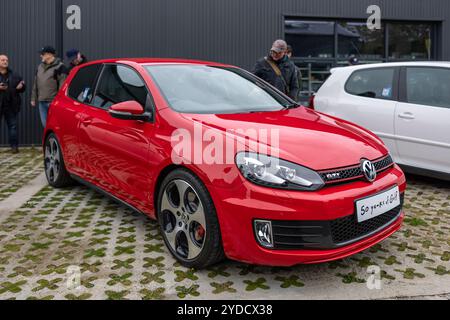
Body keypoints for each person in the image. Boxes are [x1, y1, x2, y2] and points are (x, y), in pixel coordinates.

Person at [31, 46, 67, 127]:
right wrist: (33, 98)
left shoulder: (60, 67)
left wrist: (58, 101)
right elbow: (36, 83)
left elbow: (63, 87)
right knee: (45, 126)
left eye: (42, 54)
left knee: (55, 126)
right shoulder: (40, 67)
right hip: (41, 102)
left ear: (50, 55)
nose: (41, 56)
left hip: (53, 102)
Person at [0, 54, 25, 153]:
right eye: (2, 60)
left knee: (13, 126)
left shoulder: (14, 74)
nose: (5, 62)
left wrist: (22, 86)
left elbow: (22, 86)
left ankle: (14, 147)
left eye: (6, 60)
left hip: (11, 105)